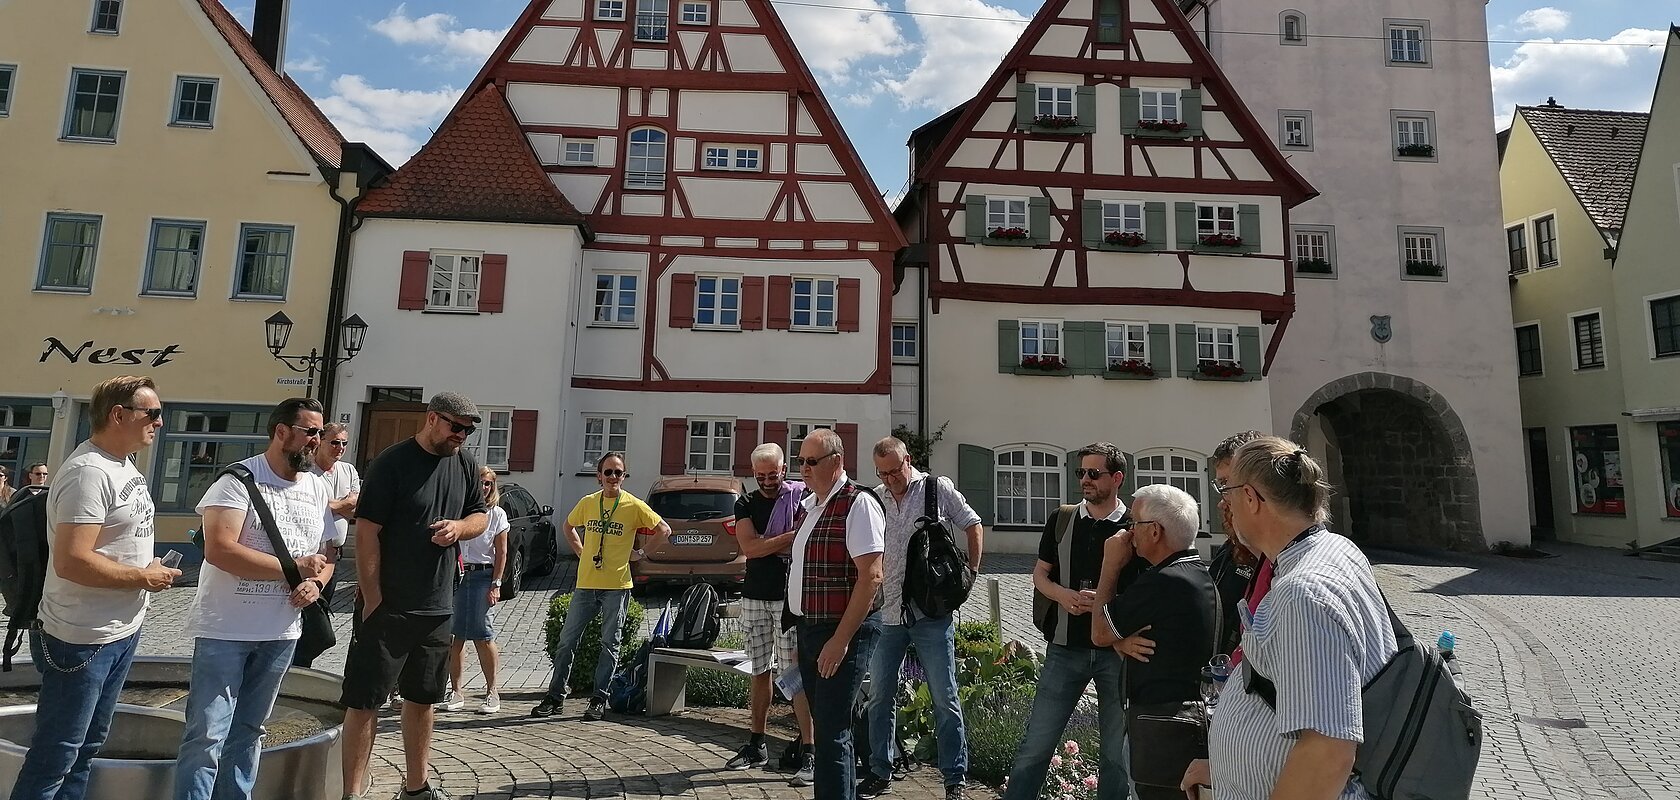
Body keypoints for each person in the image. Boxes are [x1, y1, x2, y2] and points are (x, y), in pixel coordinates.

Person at [1181, 437, 1399, 800]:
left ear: (1250, 498)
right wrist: (1226, 765)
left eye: (1227, 492)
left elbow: (1328, 752)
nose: (1225, 505)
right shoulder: (1331, 549)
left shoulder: (1303, 592)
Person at [10, 376, 179, 800]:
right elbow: (72, 561)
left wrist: (148, 566)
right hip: (79, 639)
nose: (160, 422)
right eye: (153, 413)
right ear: (118, 415)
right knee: (56, 755)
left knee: (85, 750)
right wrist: (144, 577)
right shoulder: (88, 473)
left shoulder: (125, 465)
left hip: (119, 631)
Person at [175, 397, 337, 800]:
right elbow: (219, 550)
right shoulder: (236, 480)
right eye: (310, 432)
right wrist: (294, 569)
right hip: (225, 629)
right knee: (207, 735)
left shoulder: (317, 487)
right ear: (281, 431)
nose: (317, 441)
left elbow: (326, 556)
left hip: (281, 631)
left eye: (320, 432)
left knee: (250, 730)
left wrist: (315, 583)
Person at [340, 392, 490, 800]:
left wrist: (460, 528)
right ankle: (352, 794)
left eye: (468, 430)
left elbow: (481, 514)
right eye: (455, 426)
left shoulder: (464, 465)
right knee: (365, 701)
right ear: (431, 419)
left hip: (438, 604)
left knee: (423, 700)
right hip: (388, 605)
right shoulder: (392, 463)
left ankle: (417, 787)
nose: (462, 435)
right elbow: (367, 532)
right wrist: (372, 598)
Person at [1002, 442, 1135, 800]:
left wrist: (1108, 606)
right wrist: (1062, 595)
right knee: (1036, 745)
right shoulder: (1062, 518)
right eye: (1081, 473)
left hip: (1115, 653)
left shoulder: (1135, 527)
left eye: (1094, 473)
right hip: (1064, 649)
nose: (1085, 480)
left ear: (1117, 478)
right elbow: (1040, 575)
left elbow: (1145, 592)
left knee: (1114, 755)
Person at [863, 436, 983, 800]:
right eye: (883, 473)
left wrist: (971, 574)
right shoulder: (875, 497)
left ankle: (954, 779)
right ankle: (880, 770)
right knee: (880, 696)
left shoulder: (934, 488)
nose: (891, 479)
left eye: (895, 471)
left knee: (945, 696)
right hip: (887, 612)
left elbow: (972, 524)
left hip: (930, 612)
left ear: (908, 461)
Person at [1091, 484, 1216, 800]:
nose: (1129, 533)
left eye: (1133, 523)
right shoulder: (1196, 572)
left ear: (1156, 531)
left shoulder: (1163, 581)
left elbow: (1100, 632)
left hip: (1162, 727)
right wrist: (1121, 642)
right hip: (1186, 720)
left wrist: (1110, 565)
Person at [784, 428, 884, 800]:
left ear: (836, 461)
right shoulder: (812, 505)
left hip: (843, 631)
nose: (803, 469)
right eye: (801, 461)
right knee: (827, 726)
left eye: (812, 461)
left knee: (831, 730)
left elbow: (872, 576)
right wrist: (800, 632)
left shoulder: (858, 503)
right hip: (811, 629)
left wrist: (840, 641)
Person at [533, 452, 668, 721]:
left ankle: (598, 699)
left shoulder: (633, 505)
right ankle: (555, 697)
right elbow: (568, 526)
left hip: (616, 586)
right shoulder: (588, 503)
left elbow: (664, 529)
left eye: (618, 473)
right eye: (608, 472)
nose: (613, 478)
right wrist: (582, 552)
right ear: (599, 476)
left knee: (610, 644)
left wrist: (641, 555)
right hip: (586, 584)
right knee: (567, 641)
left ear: (624, 476)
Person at [722, 442, 816, 785]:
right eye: (760, 476)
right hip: (755, 597)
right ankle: (756, 744)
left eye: (772, 475)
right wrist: (788, 537)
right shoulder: (745, 502)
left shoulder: (801, 497)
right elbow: (749, 548)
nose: (767, 481)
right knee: (759, 671)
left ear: (783, 470)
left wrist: (768, 541)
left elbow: (797, 541)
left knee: (794, 674)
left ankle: (810, 750)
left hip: (788, 599)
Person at [440, 466, 509, 715]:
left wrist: (496, 584)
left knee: (482, 633)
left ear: (493, 487)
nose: (484, 487)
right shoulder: (461, 511)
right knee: (456, 636)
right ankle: (456, 691)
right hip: (458, 575)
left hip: (483, 575)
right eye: (480, 483)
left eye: (488, 484)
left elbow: (502, 552)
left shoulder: (497, 514)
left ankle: (492, 691)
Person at [310, 424, 360, 606]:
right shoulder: (307, 470)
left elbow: (357, 508)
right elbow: (311, 508)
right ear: (320, 442)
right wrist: (346, 503)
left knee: (325, 605)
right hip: (311, 552)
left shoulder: (348, 470)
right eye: (334, 442)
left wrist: (329, 505)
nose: (340, 447)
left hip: (335, 554)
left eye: (344, 443)